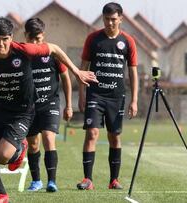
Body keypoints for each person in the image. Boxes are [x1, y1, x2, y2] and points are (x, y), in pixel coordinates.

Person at [0, 17, 97, 203]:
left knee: (1, 157)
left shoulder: (24, 50)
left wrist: (77, 72)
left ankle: (20, 147)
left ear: (11, 38)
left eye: (5, 39)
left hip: (23, 111)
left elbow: (54, 49)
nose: (1, 43)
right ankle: (2, 195)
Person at [76, 2, 138, 190]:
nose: (110, 23)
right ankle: (88, 179)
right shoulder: (93, 39)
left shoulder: (128, 41)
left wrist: (134, 100)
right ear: (102, 18)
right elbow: (83, 70)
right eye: (106, 19)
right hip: (95, 94)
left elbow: (133, 72)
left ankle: (114, 180)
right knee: (92, 133)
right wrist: (81, 95)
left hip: (116, 97)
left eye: (113, 19)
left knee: (114, 136)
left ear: (120, 19)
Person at [24, 18, 73, 192]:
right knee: (33, 144)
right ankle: (36, 181)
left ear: (43, 36)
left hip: (50, 103)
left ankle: (52, 182)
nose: (36, 43)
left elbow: (66, 79)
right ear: (26, 36)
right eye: (32, 40)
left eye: (39, 39)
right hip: (30, 107)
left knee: (48, 137)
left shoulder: (52, 53)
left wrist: (68, 106)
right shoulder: (23, 55)